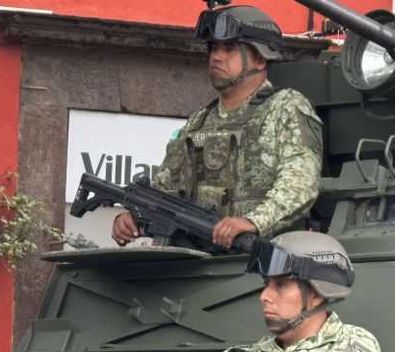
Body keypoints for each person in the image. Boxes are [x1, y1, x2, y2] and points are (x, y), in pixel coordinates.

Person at [112, 4, 323, 249]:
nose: (216, 56)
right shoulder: (199, 121)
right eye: (213, 48)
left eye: (229, 48)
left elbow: (300, 185)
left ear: (259, 58)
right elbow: (165, 192)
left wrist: (253, 222)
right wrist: (134, 217)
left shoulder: (285, 108)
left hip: (263, 260)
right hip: (198, 263)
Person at [171, 231, 385, 352]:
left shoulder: (353, 342)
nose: (264, 296)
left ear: (316, 294)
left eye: (281, 285)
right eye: (266, 284)